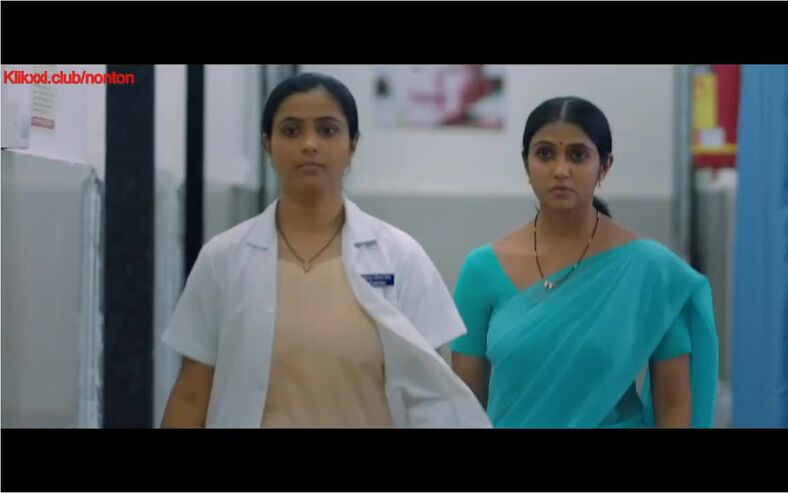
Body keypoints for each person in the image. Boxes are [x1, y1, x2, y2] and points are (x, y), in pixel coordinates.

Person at [161, 72, 490, 428]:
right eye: (291, 131)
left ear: (352, 145)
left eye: (327, 130)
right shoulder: (222, 259)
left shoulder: (400, 257)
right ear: (268, 144)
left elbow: (431, 395)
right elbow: (191, 394)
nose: (309, 144)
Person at [450, 96, 718, 428]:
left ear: (604, 166)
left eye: (577, 155)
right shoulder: (481, 271)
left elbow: (674, 406)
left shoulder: (650, 270)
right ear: (526, 164)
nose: (561, 170)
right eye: (545, 154)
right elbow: (464, 407)